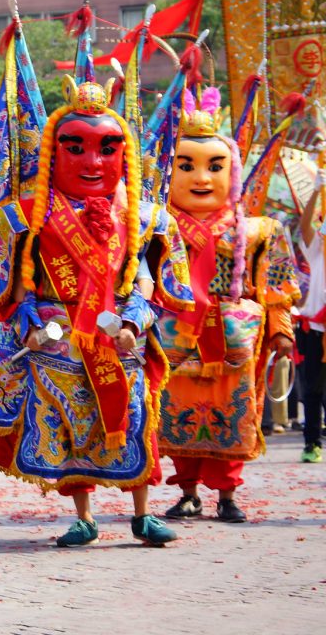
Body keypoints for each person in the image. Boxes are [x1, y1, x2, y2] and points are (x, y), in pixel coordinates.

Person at [0, 75, 190, 547]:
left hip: (118, 337)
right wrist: (27, 323)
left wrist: (133, 320)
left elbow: (150, 283)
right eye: (76, 147)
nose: (92, 161)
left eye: (107, 149)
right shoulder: (24, 215)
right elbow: (13, 289)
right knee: (70, 431)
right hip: (56, 340)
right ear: (53, 151)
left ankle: (142, 514)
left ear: (123, 153)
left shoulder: (145, 217)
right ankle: (84, 517)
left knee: (130, 423)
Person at [154, 89, 298, 523]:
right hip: (175, 337)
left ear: (232, 171)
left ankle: (228, 494)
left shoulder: (257, 230)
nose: (201, 178)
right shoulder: (155, 226)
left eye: (215, 167)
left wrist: (281, 330)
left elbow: (275, 287)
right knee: (174, 415)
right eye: (187, 166)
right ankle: (188, 491)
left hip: (233, 339)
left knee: (232, 414)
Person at [295, 172, 326, 463]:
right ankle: (312, 443)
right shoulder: (319, 248)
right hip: (314, 329)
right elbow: (304, 227)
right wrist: (316, 192)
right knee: (312, 390)